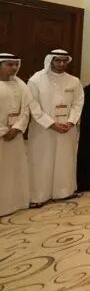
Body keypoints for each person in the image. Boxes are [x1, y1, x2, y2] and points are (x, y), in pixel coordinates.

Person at [27, 49, 85, 207]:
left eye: (64, 61)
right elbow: (33, 106)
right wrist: (51, 124)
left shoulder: (74, 81)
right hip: (44, 129)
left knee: (65, 159)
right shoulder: (36, 80)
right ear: (50, 60)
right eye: (58, 60)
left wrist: (71, 121)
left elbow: (78, 103)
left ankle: (64, 191)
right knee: (42, 160)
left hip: (67, 128)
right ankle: (39, 195)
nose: (61, 64)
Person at [0, 53, 32, 216]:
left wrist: (17, 127)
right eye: (9, 64)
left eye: (15, 64)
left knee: (14, 169)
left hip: (15, 134)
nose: (14, 67)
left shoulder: (21, 85)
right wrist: (3, 131)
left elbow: (26, 109)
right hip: (2, 135)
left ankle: (15, 203)